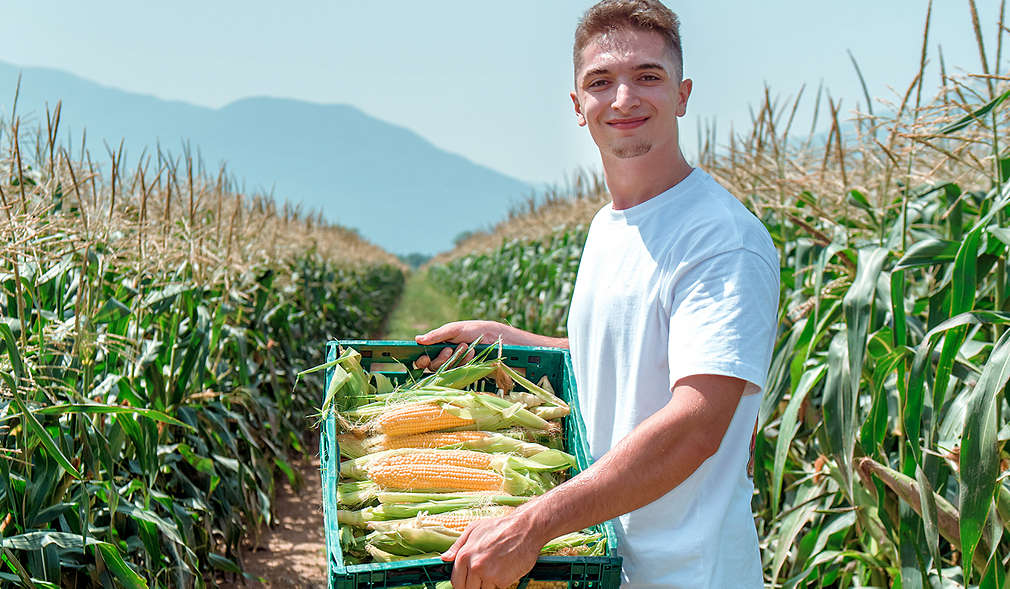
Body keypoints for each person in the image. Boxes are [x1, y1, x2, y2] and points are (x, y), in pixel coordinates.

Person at [414, 1, 779, 587]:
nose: (624, 99)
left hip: (687, 573)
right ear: (578, 106)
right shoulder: (610, 227)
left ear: (683, 95)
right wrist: (509, 341)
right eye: (600, 82)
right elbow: (630, 357)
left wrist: (532, 525)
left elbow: (696, 423)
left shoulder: (721, 239)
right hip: (610, 565)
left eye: (648, 77)